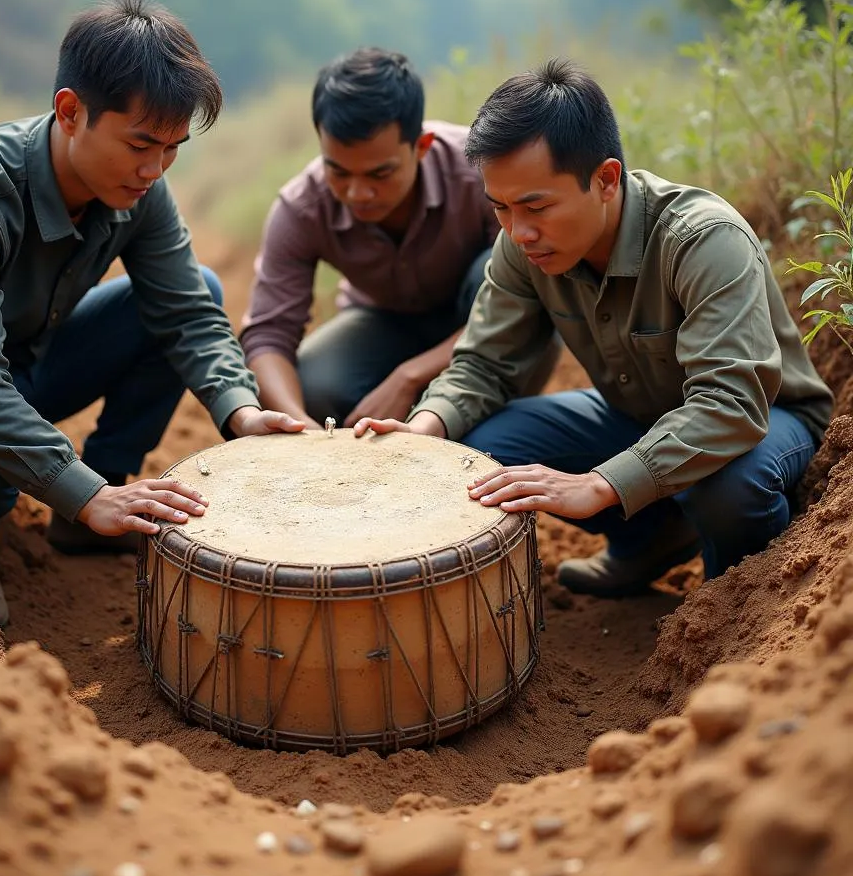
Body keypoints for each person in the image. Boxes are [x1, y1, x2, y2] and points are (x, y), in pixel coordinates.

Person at [0, 0, 304, 627]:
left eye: (172, 149)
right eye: (140, 144)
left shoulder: (140, 189)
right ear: (71, 111)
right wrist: (83, 492)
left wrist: (241, 412)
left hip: (22, 364)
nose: (154, 169)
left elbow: (187, 312)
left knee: (202, 293)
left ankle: (101, 512)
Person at [353, 58, 833, 597]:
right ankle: (650, 540)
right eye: (502, 208)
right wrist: (426, 430)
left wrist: (602, 483)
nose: (519, 230)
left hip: (765, 421)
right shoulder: (520, 245)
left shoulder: (702, 240)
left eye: (536, 206)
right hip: (637, 417)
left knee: (727, 490)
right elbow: (482, 365)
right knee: (480, 446)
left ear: (605, 180)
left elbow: (731, 404)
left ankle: (736, 608)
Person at [239, 48, 538, 430]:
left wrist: (410, 377)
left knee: (494, 269)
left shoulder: (482, 175)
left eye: (380, 174)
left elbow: (525, 305)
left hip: (487, 316)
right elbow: (267, 336)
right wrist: (301, 429)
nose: (357, 193)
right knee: (316, 385)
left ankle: (488, 423)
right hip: (384, 322)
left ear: (421, 147)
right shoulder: (302, 207)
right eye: (339, 172)